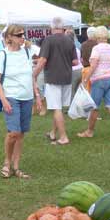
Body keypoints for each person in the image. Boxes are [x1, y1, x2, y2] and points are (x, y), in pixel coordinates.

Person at [0, 25, 42, 179]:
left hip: (27, 97)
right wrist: (4, 100)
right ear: (10, 38)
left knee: (21, 134)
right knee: (13, 132)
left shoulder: (27, 52)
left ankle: (16, 167)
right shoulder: (3, 54)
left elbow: (31, 76)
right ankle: (6, 163)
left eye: (23, 34)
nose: (22, 37)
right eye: (19, 35)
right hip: (11, 96)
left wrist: (37, 95)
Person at [33, 17, 77, 146]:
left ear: (51, 28)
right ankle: (53, 132)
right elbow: (75, 61)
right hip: (67, 77)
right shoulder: (69, 40)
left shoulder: (48, 40)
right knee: (59, 107)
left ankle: (63, 137)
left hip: (53, 77)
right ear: (62, 27)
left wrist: (34, 74)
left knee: (56, 108)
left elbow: (42, 60)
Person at [78, 26, 110, 140]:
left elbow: (93, 66)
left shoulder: (96, 49)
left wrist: (85, 79)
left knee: (94, 107)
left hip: (99, 79)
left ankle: (89, 131)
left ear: (96, 36)